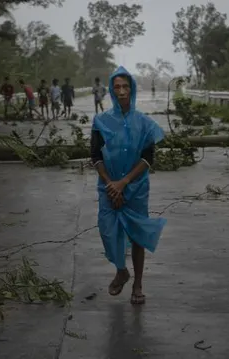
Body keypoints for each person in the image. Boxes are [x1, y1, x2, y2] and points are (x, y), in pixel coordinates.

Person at [89, 66, 166, 305]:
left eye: (125, 87)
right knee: (107, 230)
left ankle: (138, 284)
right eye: (117, 87)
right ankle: (121, 270)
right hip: (108, 186)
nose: (121, 91)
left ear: (131, 89)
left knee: (137, 237)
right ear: (111, 92)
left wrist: (124, 183)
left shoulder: (144, 123)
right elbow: (95, 156)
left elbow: (147, 159)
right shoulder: (101, 121)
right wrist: (111, 183)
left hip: (135, 187)